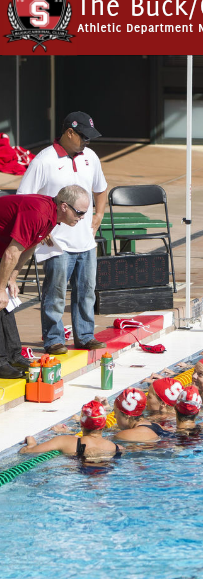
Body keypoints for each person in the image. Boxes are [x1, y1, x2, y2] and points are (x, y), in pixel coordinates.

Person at [17, 111, 108, 355]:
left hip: (85, 241)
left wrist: (98, 216)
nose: (87, 142)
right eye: (83, 137)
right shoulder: (44, 160)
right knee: (54, 294)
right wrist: (39, 226)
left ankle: (85, 336)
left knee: (86, 292)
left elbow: (101, 190)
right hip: (56, 242)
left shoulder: (90, 157)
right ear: (69, 132)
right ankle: (54, 339)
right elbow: (24, 199)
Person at [0, 186, 90, 378]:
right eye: (79, 212)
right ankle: (0, 362)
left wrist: (12, 278)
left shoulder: (51, 216)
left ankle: (14, 354)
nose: (81, 217)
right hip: (4, 250)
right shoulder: (38, 214)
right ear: (64, 206)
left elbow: (29, 247)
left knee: (5, 304)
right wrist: (0, 287)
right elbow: (11, 254)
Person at [19, 400, 122, 461]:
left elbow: (27, 452)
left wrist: (31, 442)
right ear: (104, 423)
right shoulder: (117, 448)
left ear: (81, 422)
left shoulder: (64, 441)